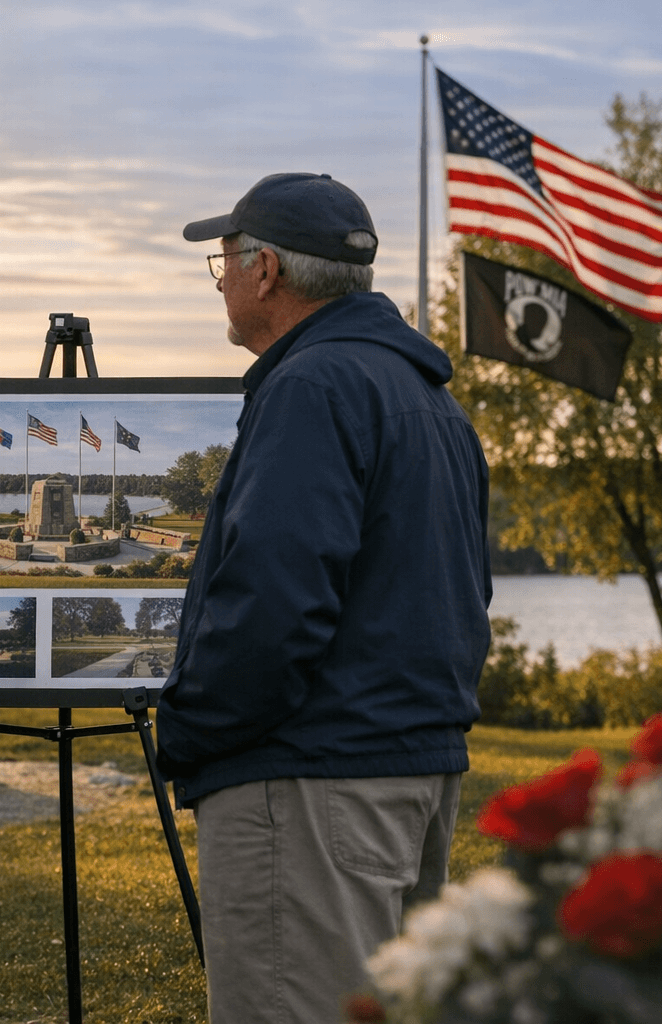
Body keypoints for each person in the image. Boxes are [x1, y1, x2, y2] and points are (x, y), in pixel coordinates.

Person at [156, 173, 492, 1022]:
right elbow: (467, 595)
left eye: (224, 261)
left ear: (264, 270)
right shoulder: (426, 397)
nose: (223, 281)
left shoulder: (314, 387)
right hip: (409, 772)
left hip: (309, 783)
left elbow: (274, 599)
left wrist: (190, 727)